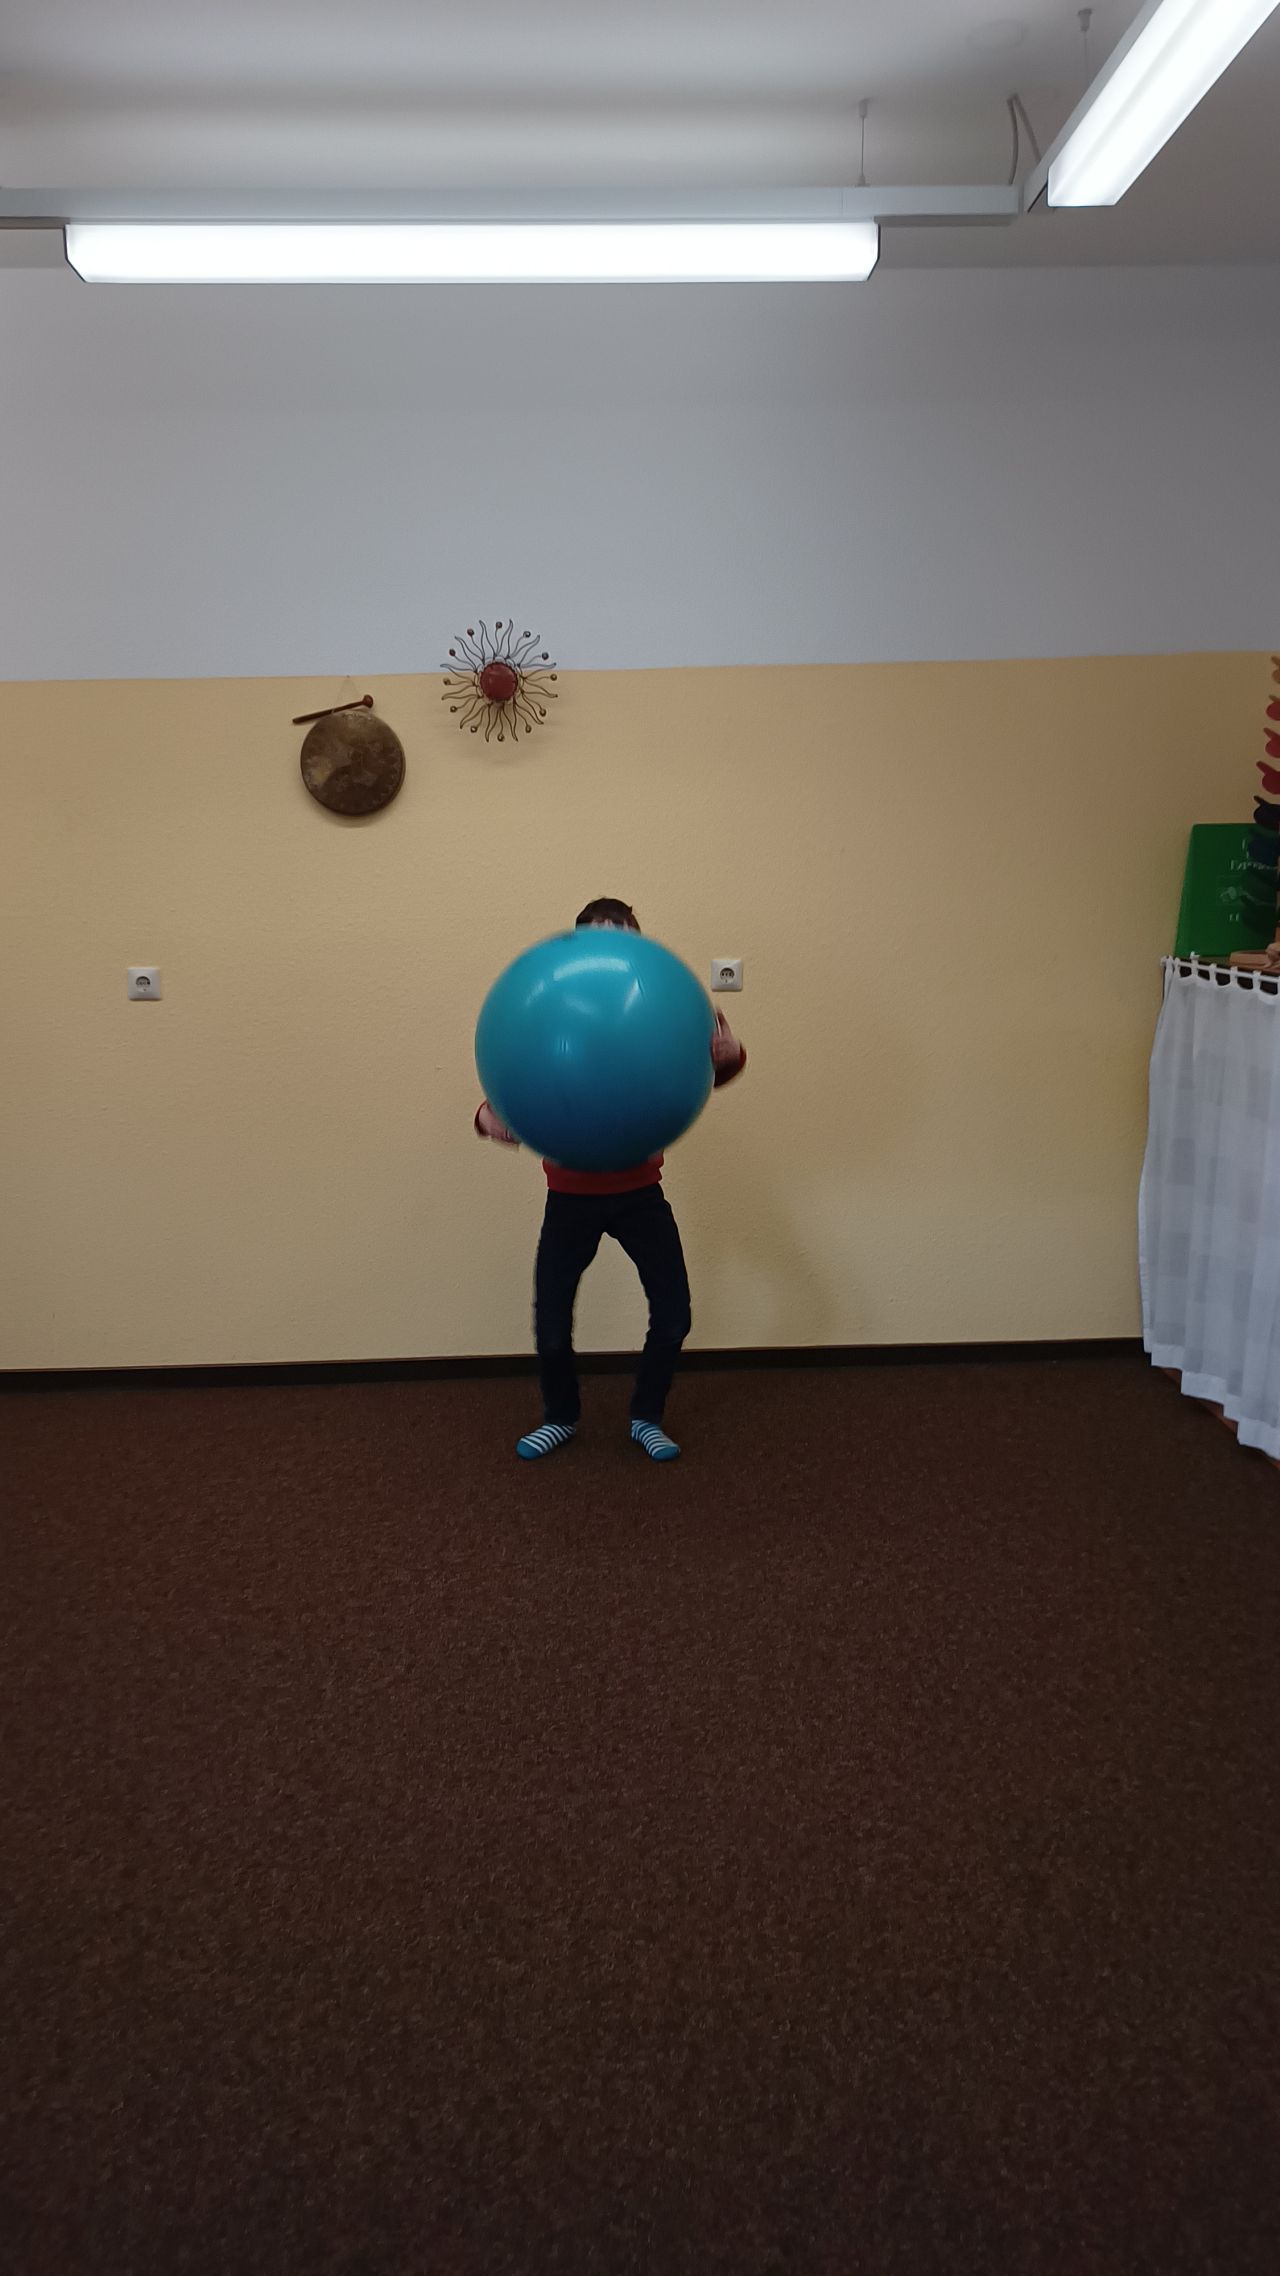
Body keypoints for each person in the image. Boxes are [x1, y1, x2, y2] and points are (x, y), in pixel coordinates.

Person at [475, 898, 746, 1462]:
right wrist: (485, 1117)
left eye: (621, 939)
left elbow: (686, 1076)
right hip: (568, 1199)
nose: (610, 951)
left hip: (640, 1195)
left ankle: (647, 1416)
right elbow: (519, 1078)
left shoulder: (655, 1006)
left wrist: (729, 1056)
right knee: (551, 1322)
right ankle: (560, 1417)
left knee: (674, 1313)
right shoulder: (554, 1005)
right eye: (598, 938)